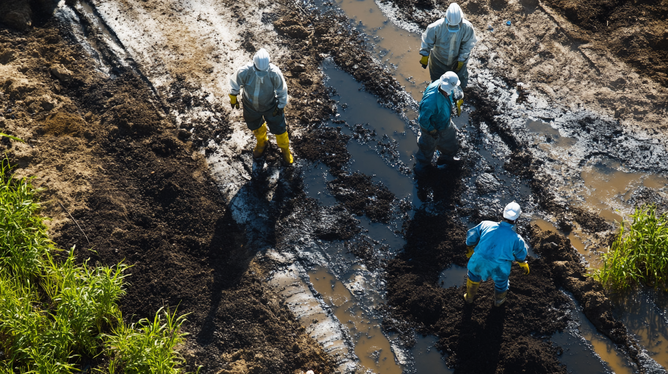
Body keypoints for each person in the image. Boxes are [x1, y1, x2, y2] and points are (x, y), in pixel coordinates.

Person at [229, 48, 293, 164]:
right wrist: (233, 96)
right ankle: (261, 142)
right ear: (254, 65)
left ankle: (285, 149)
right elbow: (234, 83)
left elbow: (282, 90)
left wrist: (280, 106)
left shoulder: (274, 73)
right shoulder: (244, 71)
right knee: (255, 125)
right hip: (250, 105)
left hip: (270, 106)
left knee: (280, 127)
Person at [464, 201, 530, 307]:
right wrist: (522, 262)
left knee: (473, 276)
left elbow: (471, 237)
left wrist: (469, 248)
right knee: (501, 285)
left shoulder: (485, 224)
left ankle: (469, 298)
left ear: (503, 214)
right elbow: (520, 253)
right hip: (499, 267)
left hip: (478, 261)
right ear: (517, 219)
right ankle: (498, 303)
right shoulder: (516, 238)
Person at [414, 71, 463, 176]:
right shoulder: (430, 102)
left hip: (444, 124)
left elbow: (456, 89)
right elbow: (423, 120)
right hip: (431, 128)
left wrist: (458, 99)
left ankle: (447, 158)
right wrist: (431, 130)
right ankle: (422, 169)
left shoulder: (444, 84)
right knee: (427, 148)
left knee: (451, 141)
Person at [419, 2, 477, 88]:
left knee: (459, 83)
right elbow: (427, 41)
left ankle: (458, 97)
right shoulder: (435, 27)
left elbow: (467, 45)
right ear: (446, 19)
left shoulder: (467, 28)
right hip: (438, 61)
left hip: (456, 62)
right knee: (438, 84)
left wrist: (461, 60)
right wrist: (425, 55)